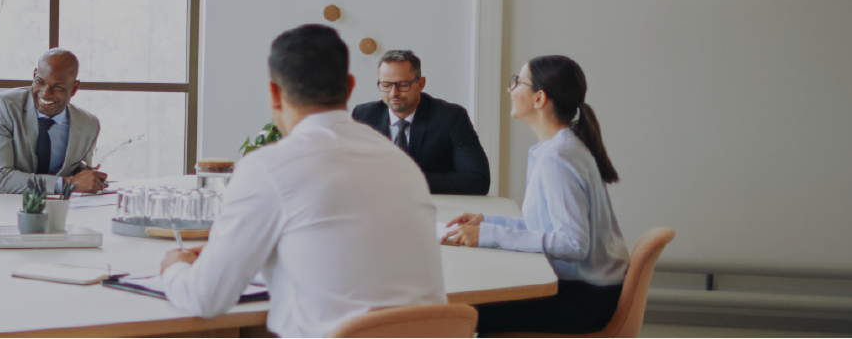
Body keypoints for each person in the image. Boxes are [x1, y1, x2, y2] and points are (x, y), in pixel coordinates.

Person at [156, 24, 447, 338]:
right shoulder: (403, 165)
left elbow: (205, 297)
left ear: (274, 93)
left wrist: (175, 265)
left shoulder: (268, 168)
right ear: (350, 88)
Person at [442, 55, 630, 335]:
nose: (510, 89)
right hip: (586, 290)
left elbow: (573, 244)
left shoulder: (558, 157)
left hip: (585, 299)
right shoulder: (556, 148)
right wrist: (486, 223)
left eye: (517, 82)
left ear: (539, 98)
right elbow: (544, 227)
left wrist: (491, 235)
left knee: (465, 312)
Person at [0, 49, 107, 197]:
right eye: (40, 82)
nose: (45, 93)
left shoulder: (88, 125)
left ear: (74, 88)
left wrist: (88, 177)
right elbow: (0, 179)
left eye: (57, 87)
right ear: (34, 75)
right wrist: (67, 184)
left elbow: (76, 170)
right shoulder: (2, 106)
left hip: (47, 211)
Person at [351, 50, 492, 195]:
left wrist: (408, 180)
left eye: (403, 84)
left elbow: (478, 180)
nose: (394, 93)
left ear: (421, 84)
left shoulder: (451, 117)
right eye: (386, 85)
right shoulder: (363, 115)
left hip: (433, 208)